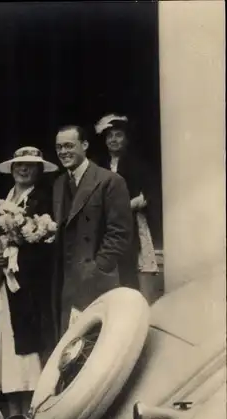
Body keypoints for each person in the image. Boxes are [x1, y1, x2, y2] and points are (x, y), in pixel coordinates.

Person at [0, 146, 58, 419]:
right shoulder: (4, 199)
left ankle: (31, 416)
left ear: (38, 171)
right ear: (12, 168)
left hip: (25, 285)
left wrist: (16, 252)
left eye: (30, 166)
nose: (23, 169)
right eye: (19, 165)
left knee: (25, 346)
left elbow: (45, 245)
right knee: (2, 342)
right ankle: (12, 414)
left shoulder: (42, 201)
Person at [52, 124, 136, 338]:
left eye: (69, 145)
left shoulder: (110, 181)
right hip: (66, 281)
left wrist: (98, 269)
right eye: (59, 147)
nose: (63, 152)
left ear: (85, 145)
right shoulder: (59, 183)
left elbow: (120, 234)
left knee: (96, 342)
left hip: (96, 280)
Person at [94, 113, 159, 301]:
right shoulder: (99, 165)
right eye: (109, 136)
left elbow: (146, 196)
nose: (113, 140)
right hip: (105, 226)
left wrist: (123, 207)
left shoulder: (138, 164)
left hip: (132, 223)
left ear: (127, 138)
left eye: (118, 135)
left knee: (130, 273)